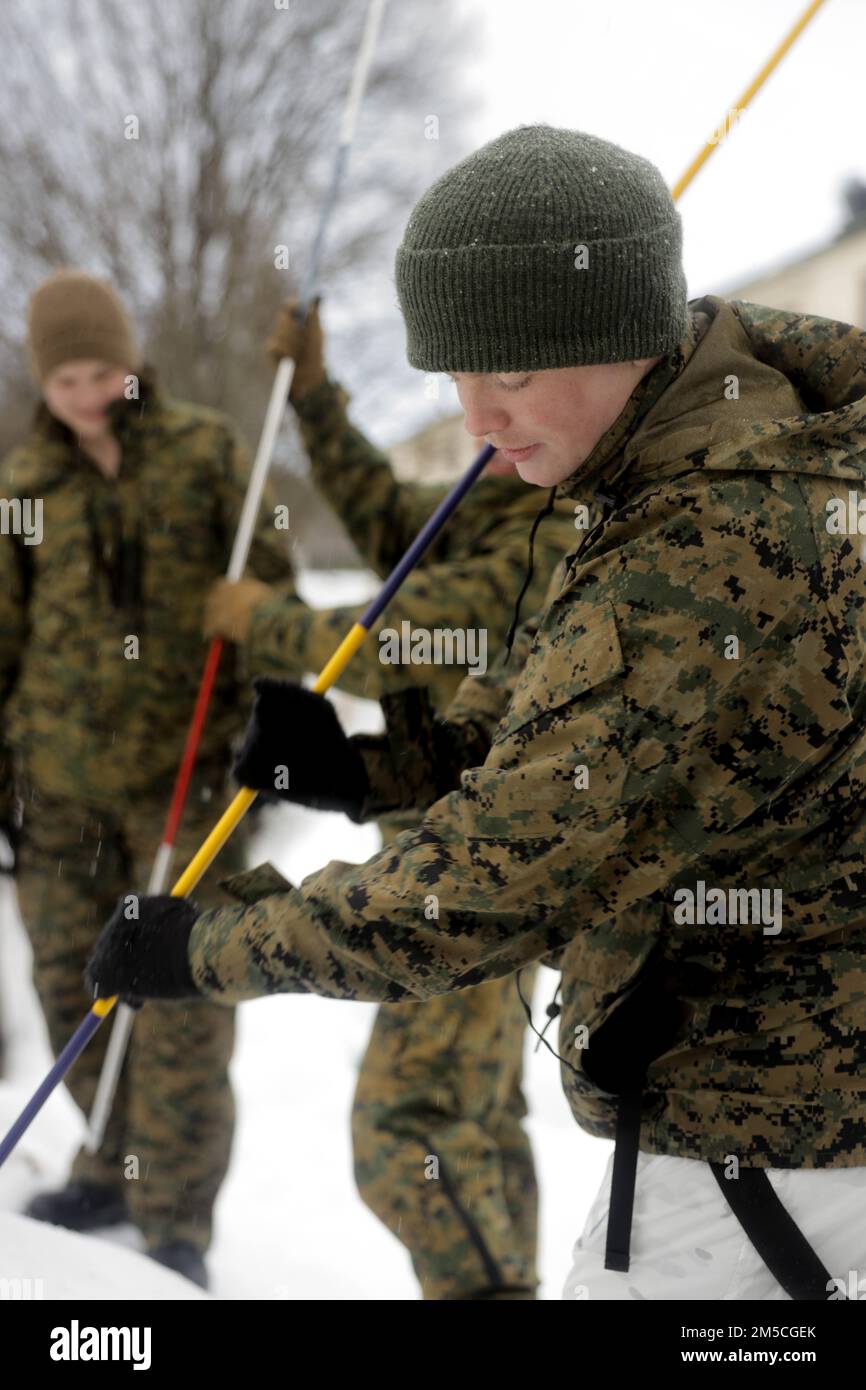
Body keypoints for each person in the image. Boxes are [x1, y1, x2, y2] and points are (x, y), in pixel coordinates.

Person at [87, 125, 866, 1301]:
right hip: (771, 1122)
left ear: (606, 334)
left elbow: (474, 893)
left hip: (756, 1141)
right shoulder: (691, 456)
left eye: (504, 371)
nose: (475, 420)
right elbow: (604, 750)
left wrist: (203, 944)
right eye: (454, 375)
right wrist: (369, 770)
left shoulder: (701, 545)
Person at [203, 299, 577, 1299]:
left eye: (514, 396)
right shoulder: (486, 500)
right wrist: (318, 396)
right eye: (470, 400)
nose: (483, 427)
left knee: (405, 1127)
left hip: (482, 871)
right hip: (441, 844)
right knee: (474, 1119)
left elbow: (407, 631)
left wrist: (265, 622)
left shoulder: (556, 534)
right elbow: (379, 512)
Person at [0, 269, 294, 1289]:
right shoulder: (24, 486)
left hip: (189, 780)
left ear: (131, 362)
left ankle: (174, 1217)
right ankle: (110, 1167)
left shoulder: (206, 452)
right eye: (67, 375)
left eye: (103, 369)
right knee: (68, 987)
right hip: (60, 785)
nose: (87, 391)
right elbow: (2, 635)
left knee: (181, 1003)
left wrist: (268, 706)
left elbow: (273, 597)